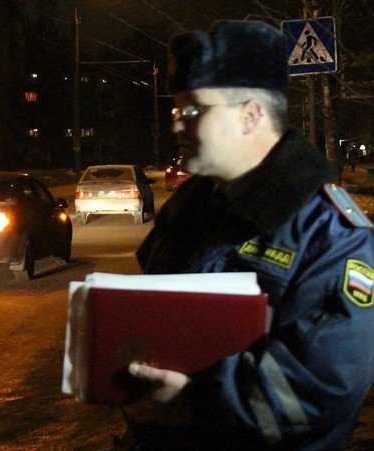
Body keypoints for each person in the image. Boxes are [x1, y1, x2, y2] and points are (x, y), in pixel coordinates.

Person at [118, 20, 374, 451]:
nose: (176, 127)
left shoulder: (332, 235)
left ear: (251, 115)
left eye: (193, 112)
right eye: (176, 113)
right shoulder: (190, 208)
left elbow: (320, 389)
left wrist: (193, 403)